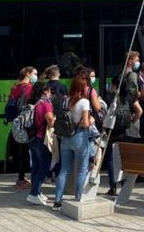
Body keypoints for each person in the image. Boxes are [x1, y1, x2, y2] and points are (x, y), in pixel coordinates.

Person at [53, 74, 93, 210]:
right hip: (79, 138)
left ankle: (57, 201)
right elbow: (86, 123)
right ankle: (78, 197)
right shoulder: (84, 102)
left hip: (65, 137)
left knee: (64, 170)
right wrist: (90, 121)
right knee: (82, 169)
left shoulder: (66, 100)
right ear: (82, 88)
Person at [8, 66, 37, 190]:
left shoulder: (15, 87)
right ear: (28, 74)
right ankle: (28, 179)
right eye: (34, 74)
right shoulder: (29, 88)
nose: (35, 76)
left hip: (17, 123)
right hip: (26, 123)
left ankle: (21, 178)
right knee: (29, 152)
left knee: (20, 152)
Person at [26, 82, 54, 206]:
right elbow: (51, 121)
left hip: (31, 139)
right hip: (41, 139)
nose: (51, 93)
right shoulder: (45, 104)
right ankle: (33, 194)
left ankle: (37, 192)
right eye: (49, 91)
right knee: (44, 167)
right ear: (45, 92)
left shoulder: (33, 102)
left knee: (36, 167)